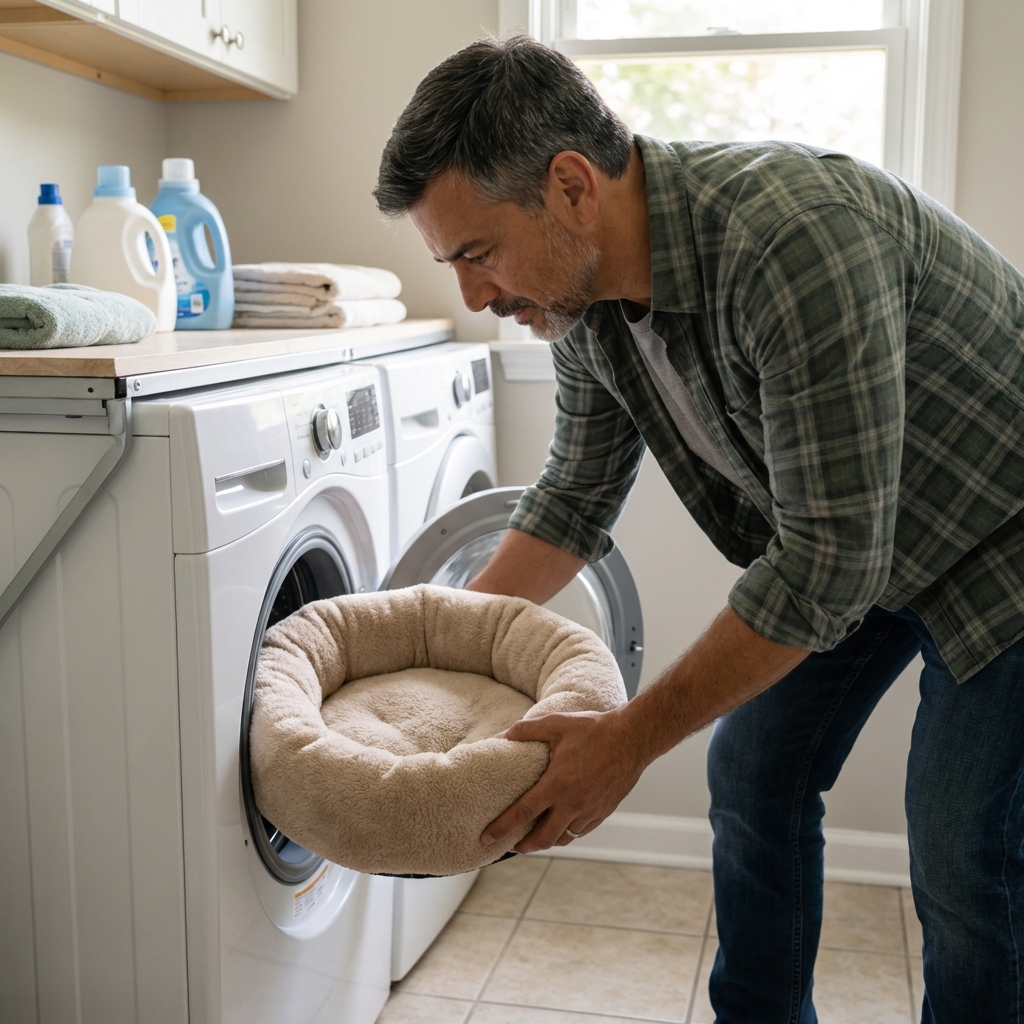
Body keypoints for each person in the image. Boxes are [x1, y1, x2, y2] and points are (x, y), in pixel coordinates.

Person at [374, 34, 1024, 1023]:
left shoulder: (788, 243)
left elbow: (822, 564)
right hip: (870, 539)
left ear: (570, 187)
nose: (473, 295)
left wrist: (628, 737)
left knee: (966, 853)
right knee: (752, 766)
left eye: (476, 252)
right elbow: (572, 500)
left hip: (1001, 531)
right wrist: (430, 650)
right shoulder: (579, 301)